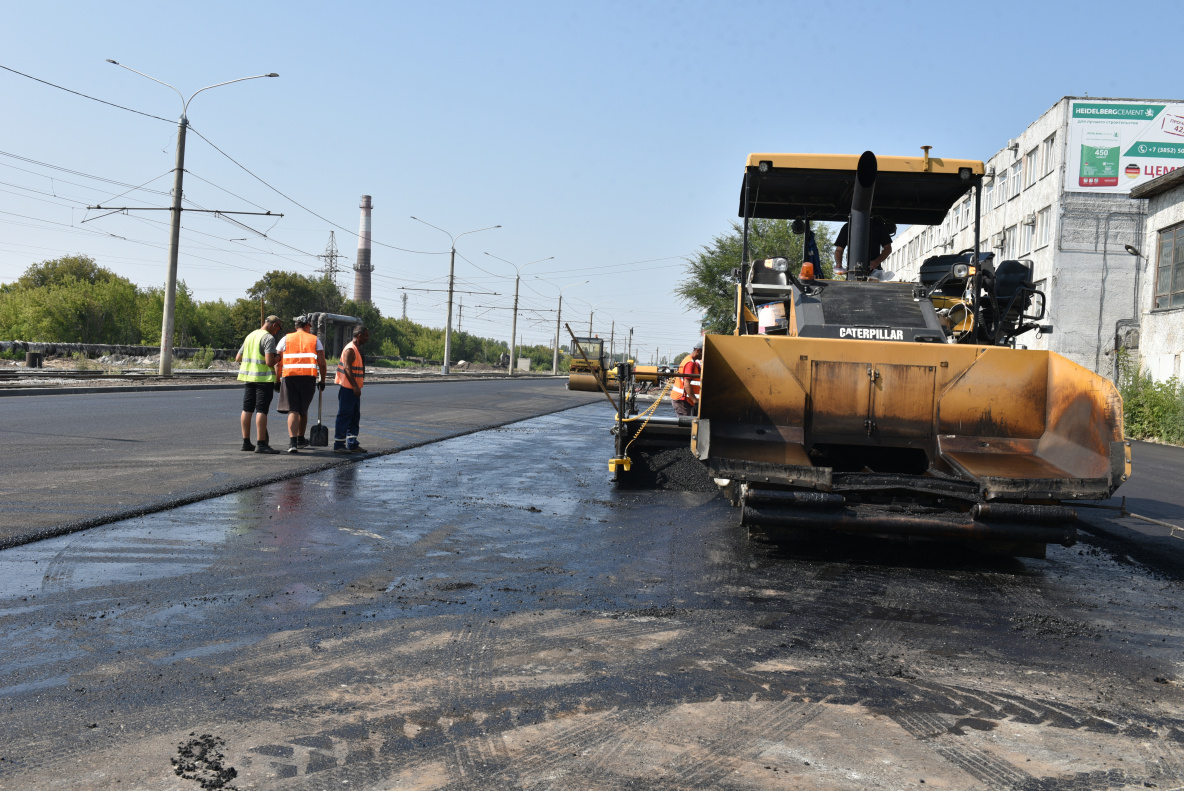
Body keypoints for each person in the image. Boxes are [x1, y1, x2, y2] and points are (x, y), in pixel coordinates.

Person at [276, 315, 327, 454]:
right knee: (303, 409)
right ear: (306, 326)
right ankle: (300, 439)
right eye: (309, 326)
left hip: (289, 378)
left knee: (293, 409)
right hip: (308, 378)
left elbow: (277, 362)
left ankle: (293, 443)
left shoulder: (285, 339)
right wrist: (322, 381)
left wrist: (277, 380)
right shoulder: (315, 340)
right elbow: (322, 363)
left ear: (295, 326)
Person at [235, 315, 282, 454]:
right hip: (263, 380)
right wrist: (278, 357)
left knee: (247, 409)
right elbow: (269, 361)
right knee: (261, 410)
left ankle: (246, 442)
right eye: (278, 328)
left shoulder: (250, 335)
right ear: (274, 325)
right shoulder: (268, 338)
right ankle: (261, 444)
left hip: (249, 378)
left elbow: (238, 357)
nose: (277, 332)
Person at [333, 325, 370, 454]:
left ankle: (352, 443)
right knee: (344, 415)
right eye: (366, 335)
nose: (368, 338)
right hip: (348, 388)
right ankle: (339, 444)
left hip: (355, 389)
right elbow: (347, 368)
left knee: (354, 416)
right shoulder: (350, 349)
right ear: (359, 336)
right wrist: (355, 386)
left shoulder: (358, 349)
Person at [670, 341, 702, 417]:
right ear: (698, 351)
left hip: (684, 400)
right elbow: (687, 384)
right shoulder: (690, 363)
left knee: (688, 424)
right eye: (703, 353)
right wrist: (695, 401)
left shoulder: (689, 360)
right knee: (685, 426)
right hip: (682, 400)